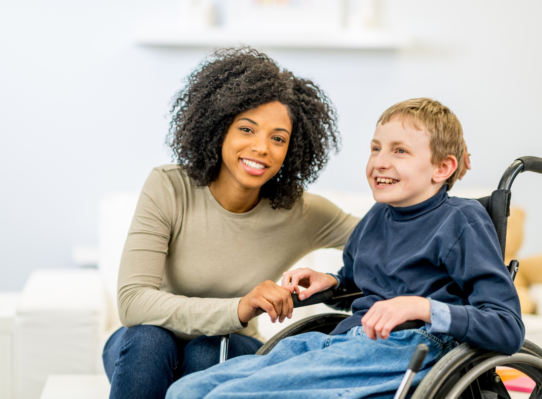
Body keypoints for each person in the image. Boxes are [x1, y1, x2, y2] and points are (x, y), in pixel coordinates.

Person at [165, 98, 523, 399]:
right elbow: (358, 287)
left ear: (443, 167)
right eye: (376, 148)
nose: (380, 161)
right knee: (187, 391)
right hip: (348, 341)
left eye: (400, 151)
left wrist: (422, 307)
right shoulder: (376, 218)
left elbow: (507, 327)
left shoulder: (461, 221)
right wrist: (330, 283)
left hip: (409, 350)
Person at [101, 47, 362, 399]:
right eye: (247, 129)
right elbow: (133, 302)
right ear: (219, 127)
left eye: (278, 138)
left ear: (292, 150)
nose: (261, 148)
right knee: (149, 338)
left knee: (207, 350)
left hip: (230, 347)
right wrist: (237, 307)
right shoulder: (168, 187)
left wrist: (335, 281)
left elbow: (393, 239)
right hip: (143, 348)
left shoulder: (304, 212)